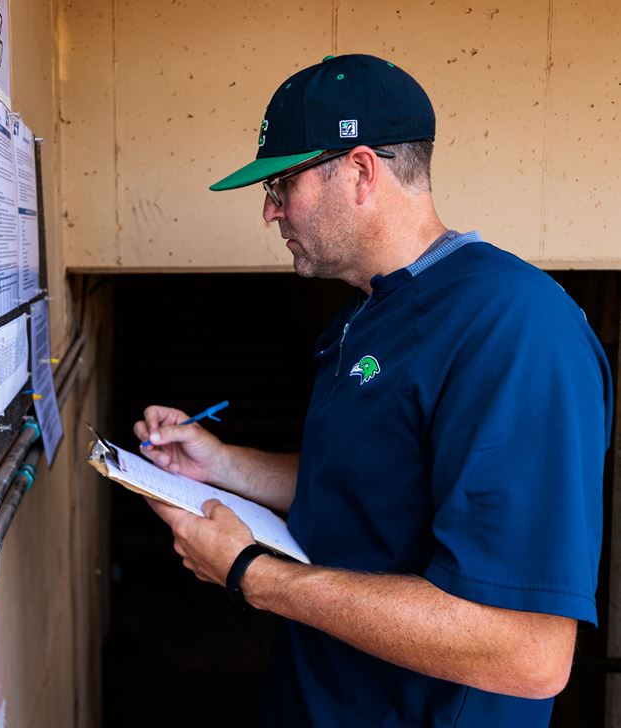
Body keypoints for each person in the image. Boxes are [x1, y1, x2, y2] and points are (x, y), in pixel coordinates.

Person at [133, 54, 613, 726]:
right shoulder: (367, 310)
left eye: (282, 184)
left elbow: (528, 653)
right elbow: (368, 492)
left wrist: (251, 574)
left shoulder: (514, 330)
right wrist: (220, 464)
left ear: (361, 171)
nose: (270, 211)